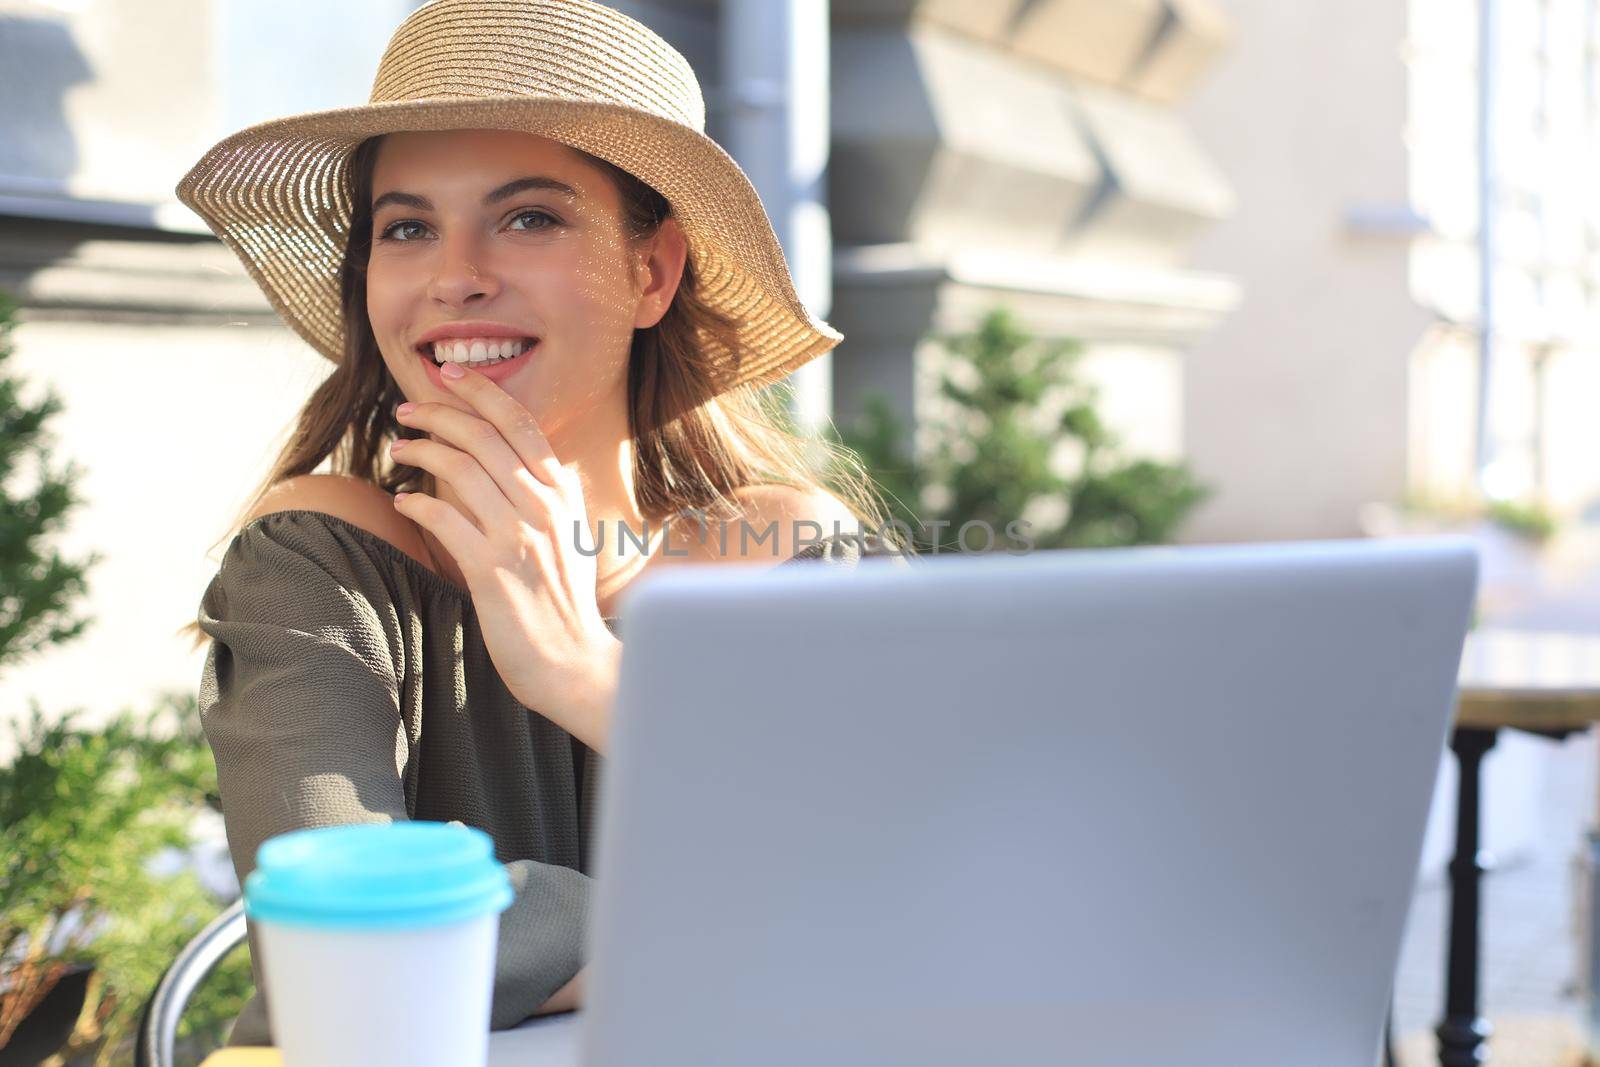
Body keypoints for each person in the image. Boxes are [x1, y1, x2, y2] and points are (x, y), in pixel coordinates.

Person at [172, 0, 911, 1047]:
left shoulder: (792, 557)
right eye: (407, 226)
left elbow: (932, 866)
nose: (454, 275)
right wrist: (770, 905)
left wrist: (576, 667)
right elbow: (342, 944)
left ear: (651, 270)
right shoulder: (321, 557)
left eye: (528, 217)